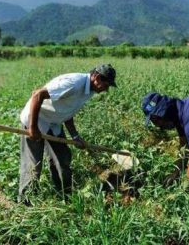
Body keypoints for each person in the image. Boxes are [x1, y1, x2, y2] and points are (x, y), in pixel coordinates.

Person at [18, 64, 116, 203]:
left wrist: (75, 136)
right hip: (36, 119)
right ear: (97, 77)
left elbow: (68, 111)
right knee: (33, 165)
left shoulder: (89, 91)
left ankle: (65, 197)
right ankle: (25, 202)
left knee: (62, 158)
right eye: (106, 85)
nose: (106, 90)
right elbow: (37, 95)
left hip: (54, 122)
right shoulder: (74, 83)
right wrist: (33, 128)